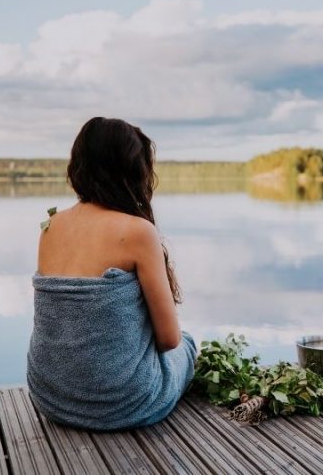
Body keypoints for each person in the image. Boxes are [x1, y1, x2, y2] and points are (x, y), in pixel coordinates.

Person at [27, 117, 196, 430]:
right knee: (188, 345)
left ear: (77, 166)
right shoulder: (137, 231)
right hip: (123, 403)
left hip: (51, 398)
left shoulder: (49, 227)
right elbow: (169, 339)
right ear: (134, 171)